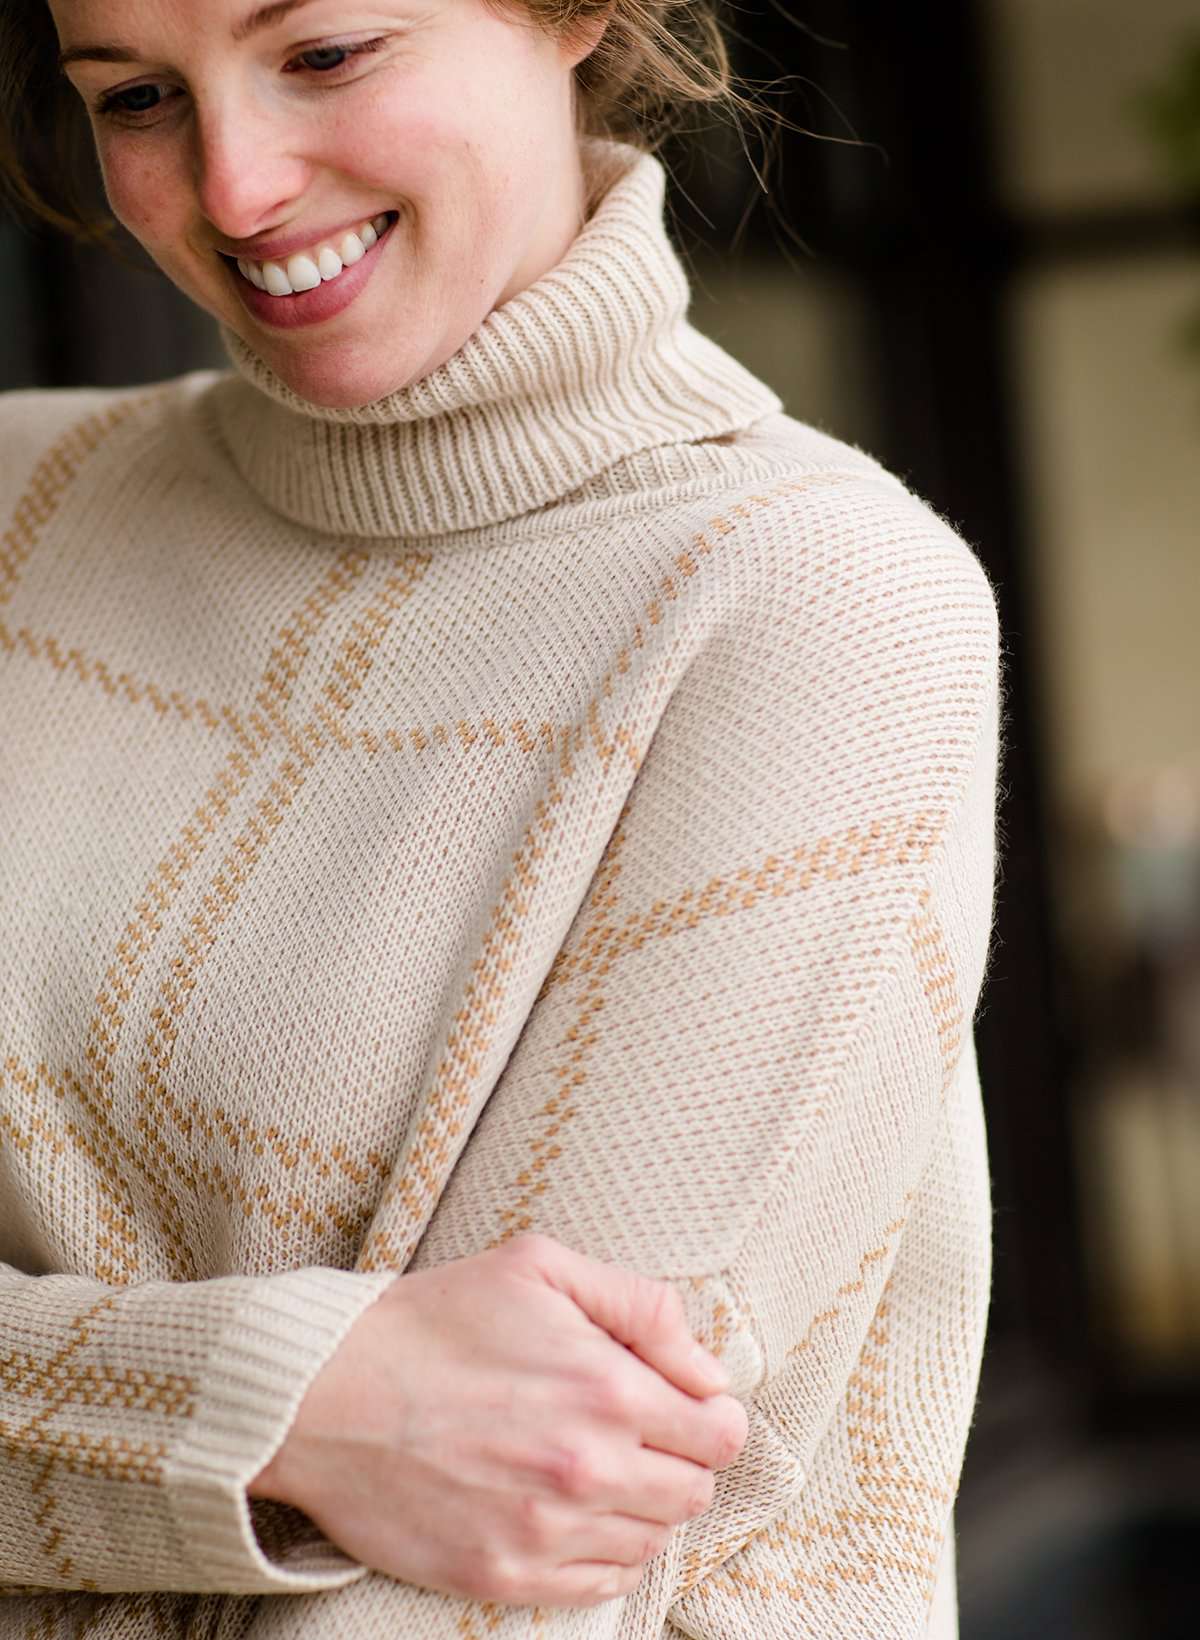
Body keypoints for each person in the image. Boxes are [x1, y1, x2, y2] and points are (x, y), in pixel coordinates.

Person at [0, 1, 1003, 1636]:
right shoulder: (17, 509)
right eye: (134, 96)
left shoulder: (822, 608)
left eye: (324, 54)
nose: (238, 185)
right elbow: (410, 1465)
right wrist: (284, 1405)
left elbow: (514, 1554)